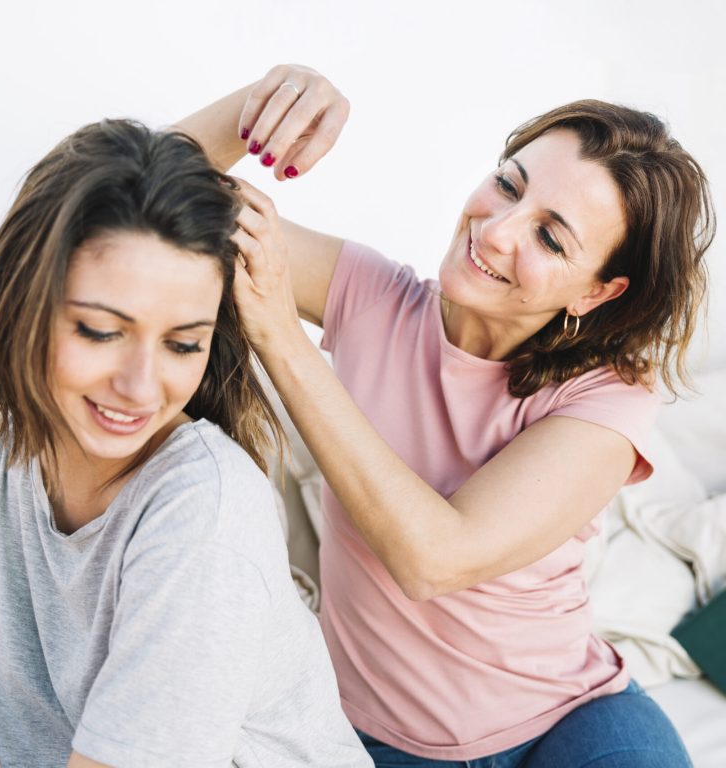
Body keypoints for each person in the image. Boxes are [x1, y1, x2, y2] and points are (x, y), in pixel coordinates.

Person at [177, 65, 715, 767]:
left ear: (598, 291)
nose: (495, 232)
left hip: (569, 722)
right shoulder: (372, 298)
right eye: (509, 184)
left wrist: (279, 333)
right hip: (372, 737)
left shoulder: (607, 396)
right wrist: (256, 107)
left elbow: (436, 558)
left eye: (551, 239)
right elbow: (138, 189)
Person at [0, 118, 374, 768]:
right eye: (100, 331)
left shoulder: (204, 511)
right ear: (22, 300)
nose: (141, 388)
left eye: (184, 345)